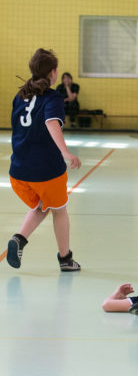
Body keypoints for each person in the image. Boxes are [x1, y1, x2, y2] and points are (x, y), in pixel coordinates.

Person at [6, 48, 82, 271]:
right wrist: (65, 152)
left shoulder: (20, 96)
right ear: (52, 73)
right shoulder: (53, 97)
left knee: (43, 205)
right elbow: (51, 122)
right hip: (46, 171)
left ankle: (19, 239)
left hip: (18, 172)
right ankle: (65, 259)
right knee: (59, 210)